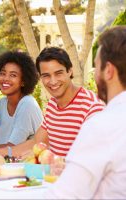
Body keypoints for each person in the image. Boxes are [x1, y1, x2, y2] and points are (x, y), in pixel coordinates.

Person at [46, 25, 126, 199]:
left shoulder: (102, 125)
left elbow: (64, 196)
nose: (95, 75)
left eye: (96, 67)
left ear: (109, 71)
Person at [0, 47, 104, 157]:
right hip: (53, 177)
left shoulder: (91, 107)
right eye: (46, 75)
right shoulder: (53, 104)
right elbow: (36, 142)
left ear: (70, 71)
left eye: (58, 73)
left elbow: (96, 158)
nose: (53, 81)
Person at [0, 51, 43, 148]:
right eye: (3, 73)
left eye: (13, 75)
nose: (6, 78)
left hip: (29, 162)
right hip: (9, 162)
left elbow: (13, 148)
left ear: (23, 81)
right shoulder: (1, 104)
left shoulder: (27, 105)